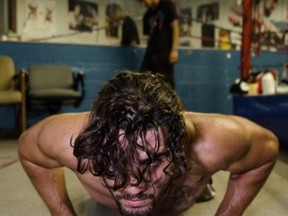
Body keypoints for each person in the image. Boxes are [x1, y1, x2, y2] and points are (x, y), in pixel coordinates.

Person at [18, 71, 279, 216]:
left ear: (179, 145)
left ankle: (203, 182)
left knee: (197, 176)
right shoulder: (71, 141)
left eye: (153, 160)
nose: (134, 184)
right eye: (115, 160)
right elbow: (28, 151)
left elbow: (267, 150)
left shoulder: (211, 143)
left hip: (187, 179)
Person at [138, 0, 179, 88]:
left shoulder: (166, 4)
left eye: (143, 1)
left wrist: (174, 50)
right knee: (142, 81)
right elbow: (147, 36)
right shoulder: (147, 15)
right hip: (150, 53)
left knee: (167, 85)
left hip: (164, 52)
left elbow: (175, 26)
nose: (143, 4)